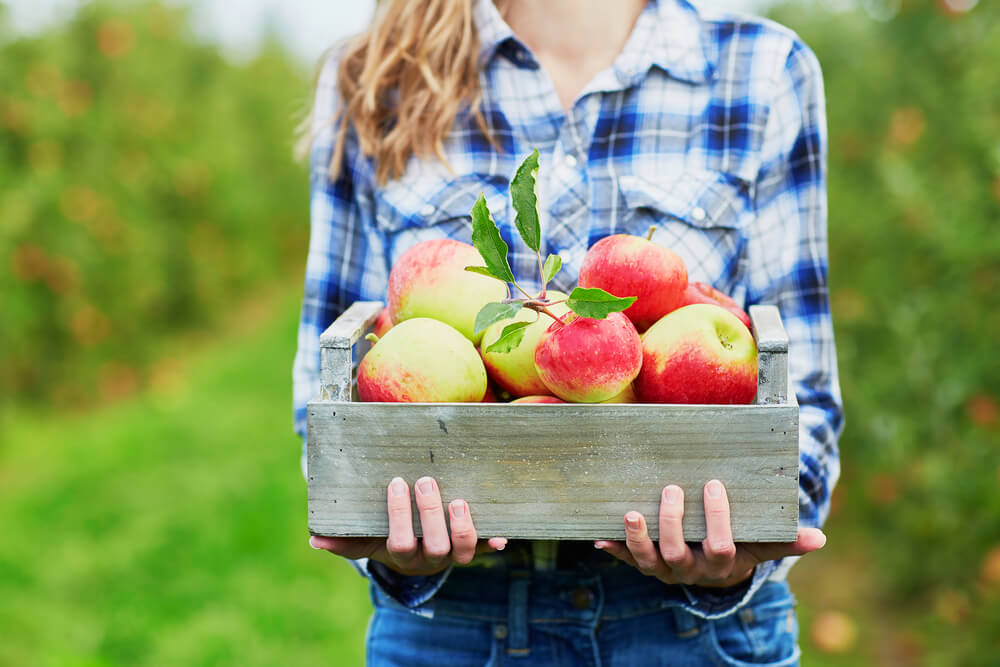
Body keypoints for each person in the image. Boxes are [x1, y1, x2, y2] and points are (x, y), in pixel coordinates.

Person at [293, 0, 843, 664]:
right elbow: (328, 386)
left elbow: (804, 386)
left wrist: (748, 541)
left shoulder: (761, 71)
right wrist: (387, 540)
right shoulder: (378, 75)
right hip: (455, 622)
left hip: (694, 631)